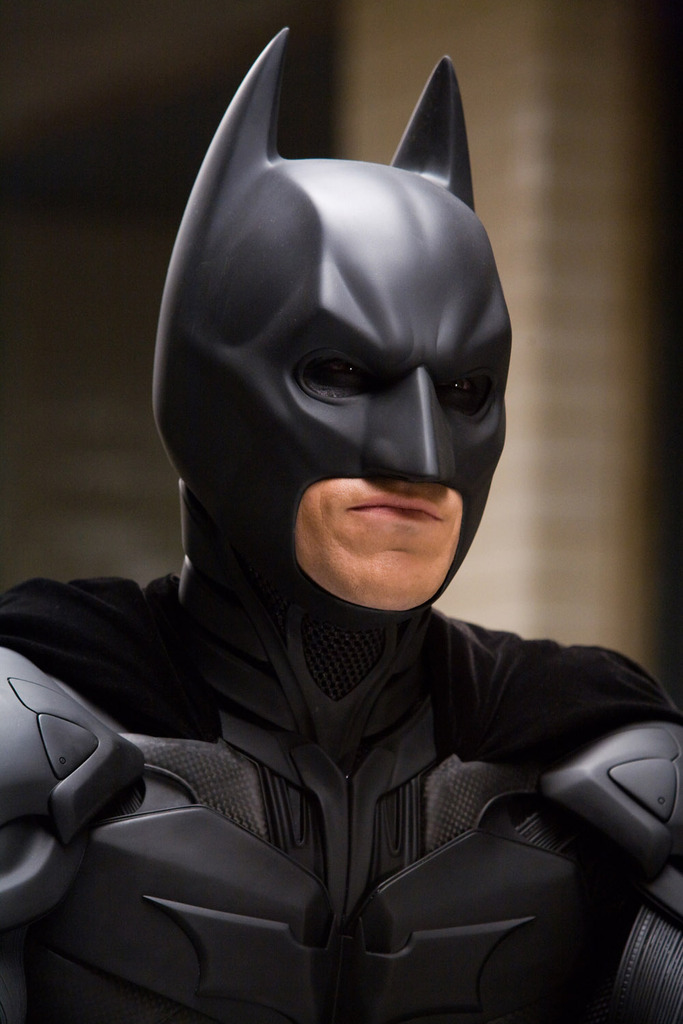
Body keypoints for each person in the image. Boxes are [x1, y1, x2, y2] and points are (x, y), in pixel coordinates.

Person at [1, 29, 682, 1024]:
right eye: (340, 374)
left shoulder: (595, 753)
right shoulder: (39, 722)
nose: (421, 455)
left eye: (463, 390)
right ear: (209, 390)